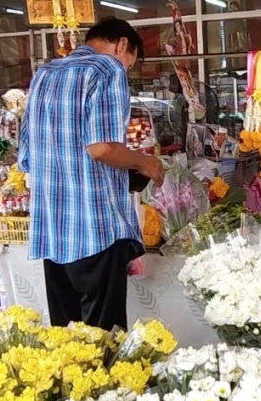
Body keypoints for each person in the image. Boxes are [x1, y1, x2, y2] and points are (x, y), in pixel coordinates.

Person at [19, 18, 164, 329]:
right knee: (103, 340)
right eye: (130, 63)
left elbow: (27, 157)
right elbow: (100, 148)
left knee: (67, 340)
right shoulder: (107, 70)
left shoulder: (44, 74)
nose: (126, 69)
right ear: (122, 45)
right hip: (95, 230)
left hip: (53, 232)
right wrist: (143, 163)